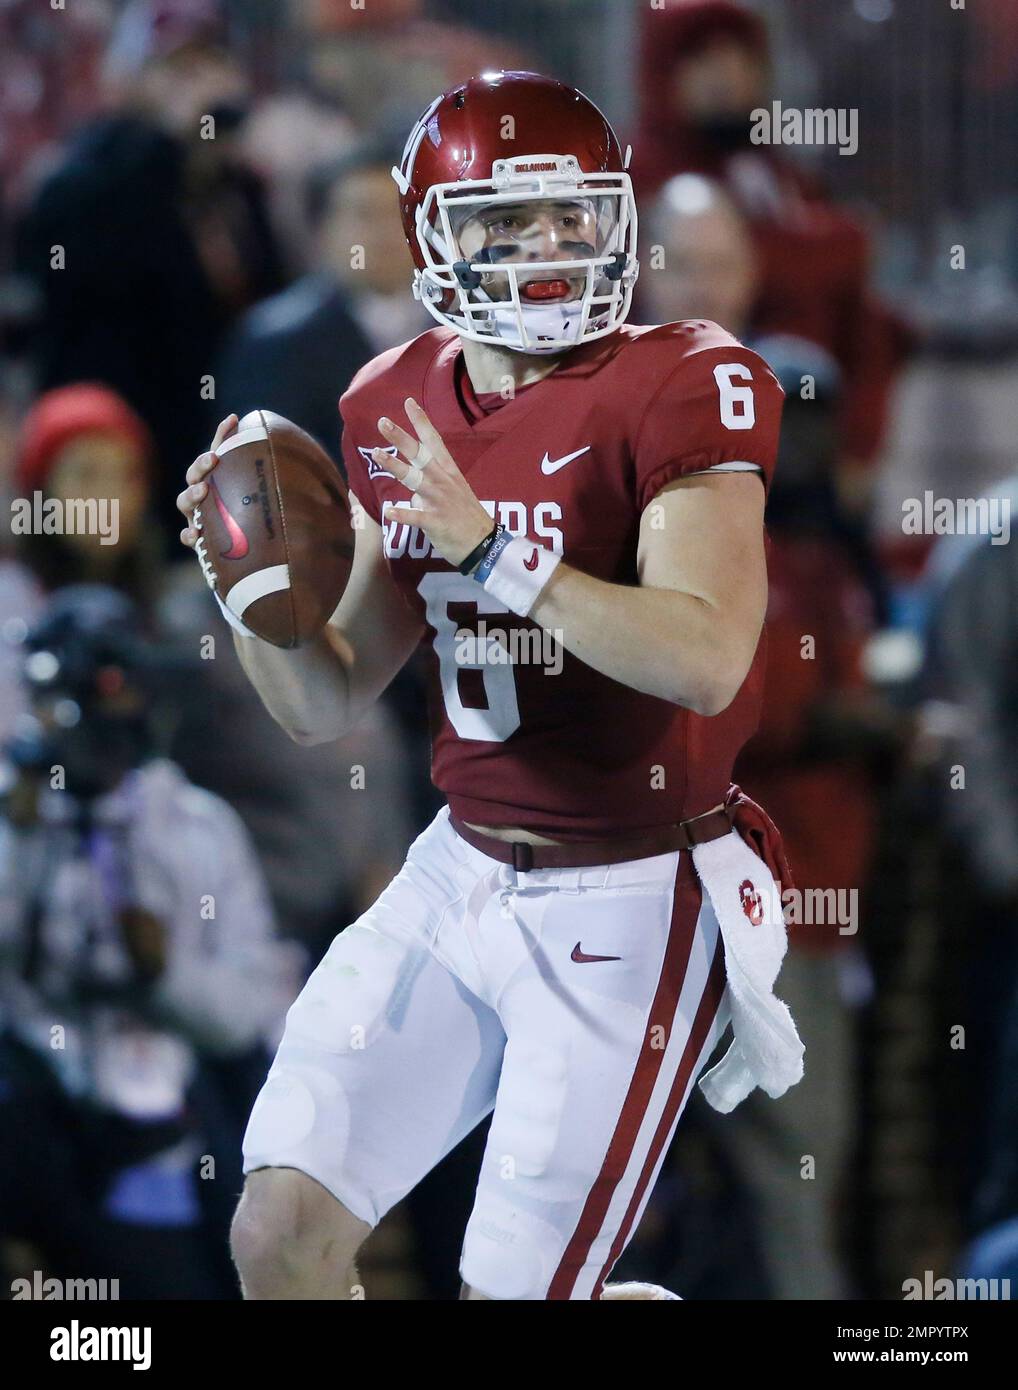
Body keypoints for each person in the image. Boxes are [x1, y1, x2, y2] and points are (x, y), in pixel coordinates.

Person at [178, 70, 802, 1302]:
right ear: (431, 239)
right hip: (458, 866)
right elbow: (325, 698)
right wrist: (253, 595)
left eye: (572, 216)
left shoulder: (682, 375)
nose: (550, 249)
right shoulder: (392, 396)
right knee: (278, 1234)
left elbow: (703, 650)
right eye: (505, 224)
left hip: (634, 888)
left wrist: (491, 549)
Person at [0, 585, 291, 1298]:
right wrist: (19, 836)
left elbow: (241, 1017)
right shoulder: (18, 813)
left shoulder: (196, 826)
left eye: (115, 689)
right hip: (37, 1124)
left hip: (162, 1133)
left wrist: (167, 977)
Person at [14, 0, 286, 529]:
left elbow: (263, 298)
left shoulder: (238, 183)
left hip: (210, 426)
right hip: (118, 431)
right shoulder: (91, 170)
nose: (199, 86)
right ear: (135, 78)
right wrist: (165, 143)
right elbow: (79, 271)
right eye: (178, 68)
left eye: (210, 65)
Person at [216, 137, 428, 464]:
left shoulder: (465, 323)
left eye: (398, 211)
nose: (387, 231)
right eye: (364, 214)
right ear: (322, 230)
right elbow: (259, 466)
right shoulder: (276, 340)